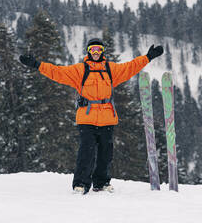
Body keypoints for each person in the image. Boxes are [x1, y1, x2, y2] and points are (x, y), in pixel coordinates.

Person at [20, 38, 163, 194]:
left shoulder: (111, 70)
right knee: (86, 152)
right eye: (93, 50)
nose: (96, 53)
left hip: (107, 117)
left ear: (102, 52)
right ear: (88, 52)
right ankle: (80, 183)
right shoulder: (80, 70)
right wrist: (36, 65)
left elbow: (130, 67)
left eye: (99, 50)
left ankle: (101, 183)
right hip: (86, 118)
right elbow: (57, 72)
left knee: (105, 154)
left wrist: (148, 57)